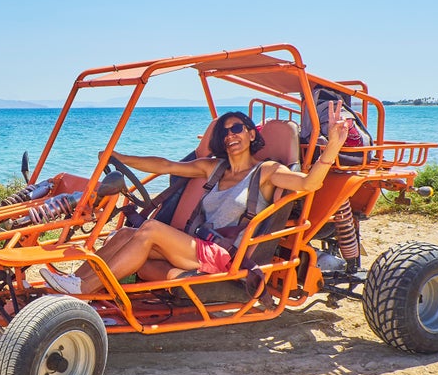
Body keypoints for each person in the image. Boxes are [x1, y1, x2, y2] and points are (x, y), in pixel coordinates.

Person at [40, 102, 350, 294]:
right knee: (126, 232)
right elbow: (166, 166)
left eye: (238, 129)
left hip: (224, 256)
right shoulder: (215, 168)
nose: (231, 136)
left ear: (252, 134)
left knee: (149, 230)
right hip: (194, 246)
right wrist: (119, 155)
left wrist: (333, 147)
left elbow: (309, 184)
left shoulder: (267, 171)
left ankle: (83, 289)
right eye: (225, 132)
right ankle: (73, 282)